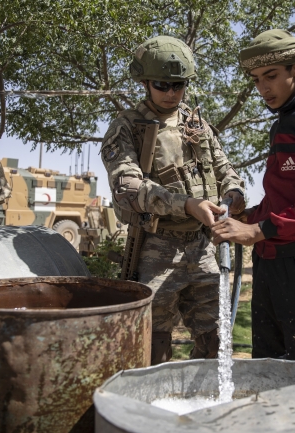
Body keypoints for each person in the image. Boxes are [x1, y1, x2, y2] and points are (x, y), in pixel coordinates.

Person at [100, 36, 245, 365]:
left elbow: (226, 171)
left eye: (178, 86)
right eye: (163, 85)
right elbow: (128, 188)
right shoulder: (126, 128)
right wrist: (187, 205)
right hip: (156, 249)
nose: (171, 94)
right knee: (153, 348)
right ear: (144, 82)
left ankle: (203, 407)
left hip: (203, 248)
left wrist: (233, 195)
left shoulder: (198, 126)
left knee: (217, 343)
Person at [210, 29, 295, 368]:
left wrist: (257, 231)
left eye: (271, 76)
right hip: (269, 260)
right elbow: (282, 198)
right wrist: (245, 219)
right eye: (257, 80)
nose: (263, 88)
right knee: (267, 363)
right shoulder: (282, 122)